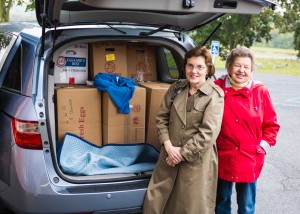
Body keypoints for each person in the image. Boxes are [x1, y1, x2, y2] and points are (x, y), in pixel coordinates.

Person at [143, 46, 224, 214]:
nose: (194, 71)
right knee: (156, 205)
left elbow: (208, 133)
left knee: (189, 208)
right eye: (190, 65)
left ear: (208, 69)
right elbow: (161, 119)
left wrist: (181, 154)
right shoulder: (176, 88)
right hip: (169, 156)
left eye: (200, 67)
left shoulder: (215, 95)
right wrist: (168, 147)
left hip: (195, 162)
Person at [214, 46, 280, 214]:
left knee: (247, 206)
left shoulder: (261, 91)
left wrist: (261, 148)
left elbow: (272, 126)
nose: (241, 70)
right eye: (237, 65)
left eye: (246, 67)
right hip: (222, 155)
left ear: (252, 70)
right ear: (229, 67)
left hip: (249, 158)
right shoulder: (216, 88)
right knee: (220, 203)